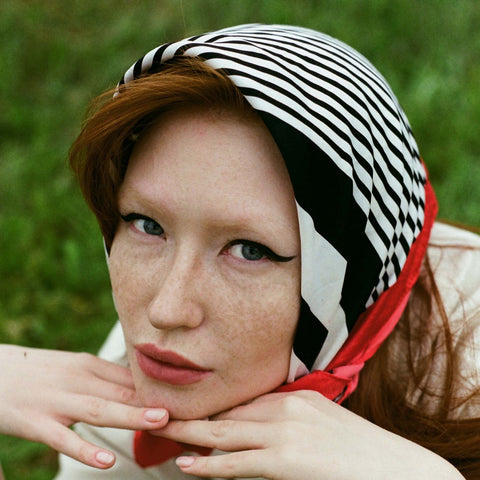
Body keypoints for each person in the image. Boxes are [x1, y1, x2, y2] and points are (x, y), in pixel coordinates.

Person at [33, 23, 479, 478]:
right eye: (148, 225)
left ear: (352, 273)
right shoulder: (154, 362)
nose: (167, 309)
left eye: (249, 251)